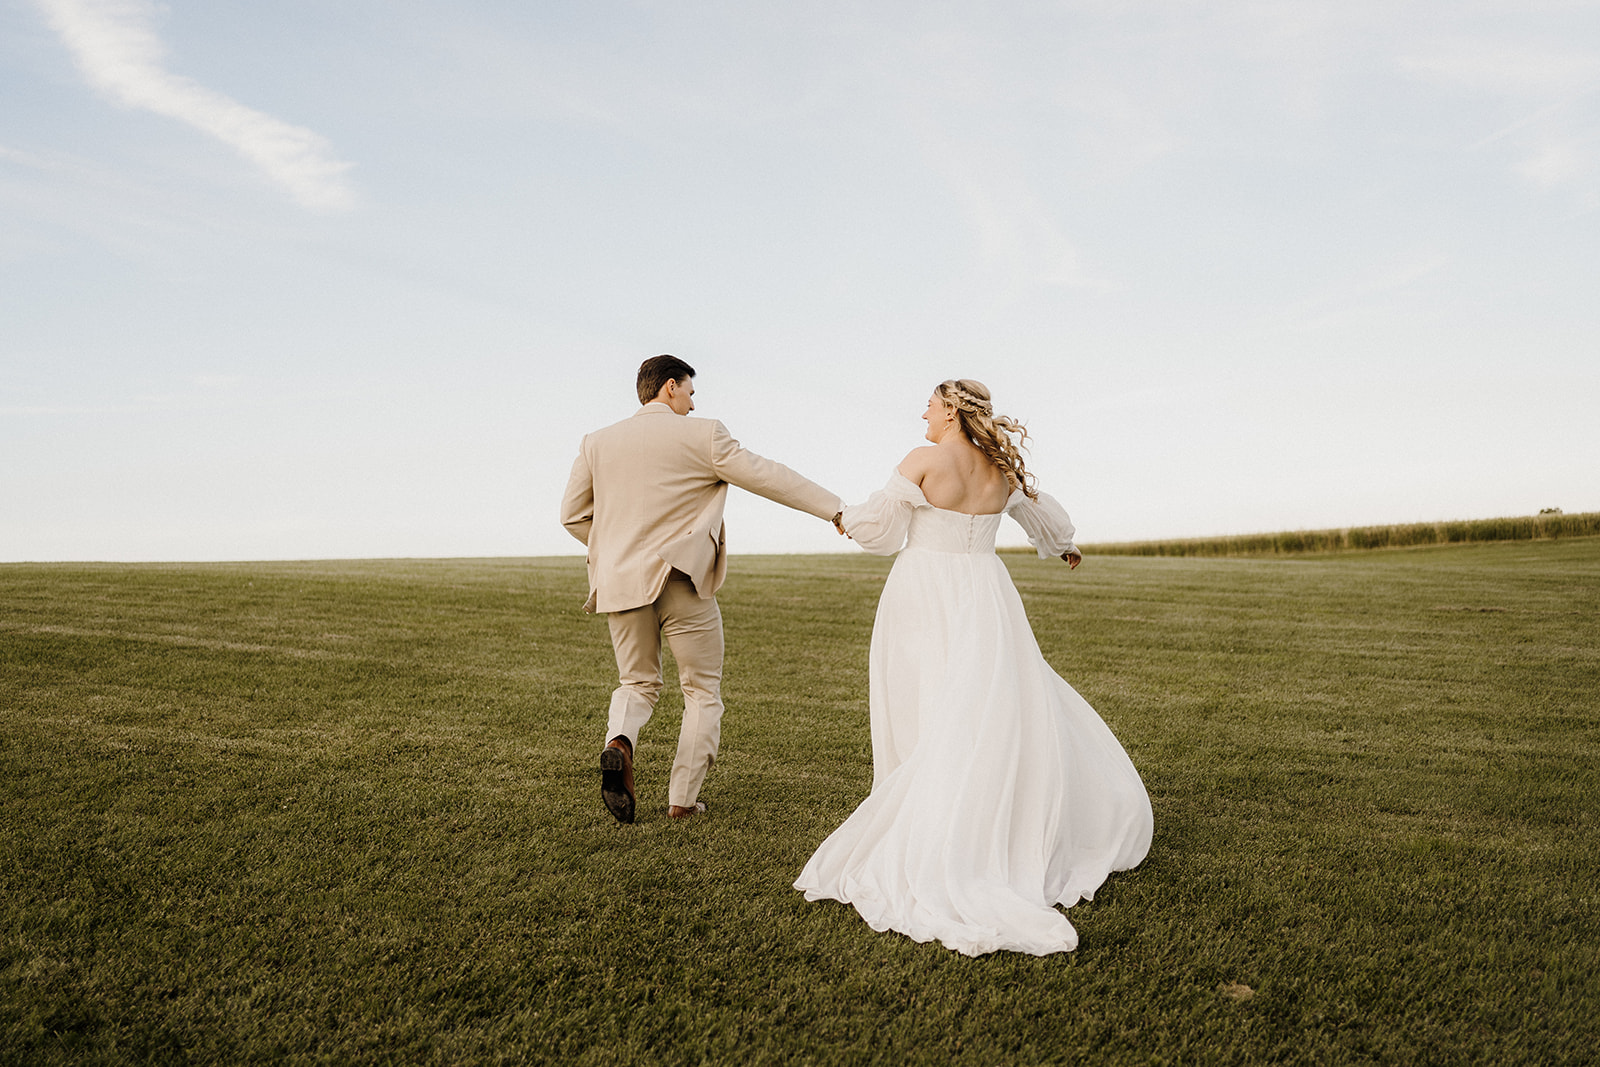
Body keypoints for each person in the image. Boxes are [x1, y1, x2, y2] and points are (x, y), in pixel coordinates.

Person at [793, 379, 1153, 956]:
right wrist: (1064, 546)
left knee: (926, 696)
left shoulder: (924, 461)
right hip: (985, 592)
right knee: (987, 703)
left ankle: (932, 827)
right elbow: (1041, 520)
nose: (923, 414)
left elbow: (880, 533)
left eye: (930, 405)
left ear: (952, 410)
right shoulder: (1001, 472)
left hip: (922, 590)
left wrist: (846, 519)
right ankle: (979, 818)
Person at [561, 355, 844, 824]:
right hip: (682, 581)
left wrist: (615, 548)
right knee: (702, 691)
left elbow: (573, 516)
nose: (693, 404)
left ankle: (619, 742)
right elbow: (770, 476)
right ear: (670, 386)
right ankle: (682, 801)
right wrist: (834, 509)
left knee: (637, 684)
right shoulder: (704, 434)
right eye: (690, 392)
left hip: (620, 582)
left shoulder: (597, 442)